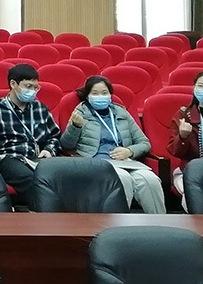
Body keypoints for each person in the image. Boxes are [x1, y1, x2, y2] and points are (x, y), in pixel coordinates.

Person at [61, 75, 164, 214]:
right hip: (97, 163)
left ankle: (160, 222)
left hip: (126, 161)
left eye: (104, 93)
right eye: (95, 93)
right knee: (122, 178)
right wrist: (75, 126)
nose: (100, 97)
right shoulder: (80, 113)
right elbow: (66, 145)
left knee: (149, 180)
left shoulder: (121, 113)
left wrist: (129, 151)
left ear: (110, 95)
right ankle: (119, 223)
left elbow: (144, 143)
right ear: (87, 96)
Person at [0, 63, 60, 202]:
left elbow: (54, 136)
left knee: (61, 177)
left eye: (35, 87)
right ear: (13, 84)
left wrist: (49, 150)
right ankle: (45, 212)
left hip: (38, 158)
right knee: (33, 180)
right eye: (28, 86)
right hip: (10, 158)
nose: (33, 91)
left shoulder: (40, 108)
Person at [168, 70, 203, 204]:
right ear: (194, 88)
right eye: (201, 86)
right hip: (188, 171)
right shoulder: (183, 115)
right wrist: (182, 137)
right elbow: (175, 151)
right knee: (194, 198)